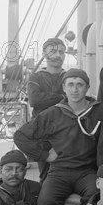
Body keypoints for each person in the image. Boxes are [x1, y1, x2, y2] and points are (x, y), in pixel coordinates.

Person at [14, 68, 103, 205]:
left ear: (87, 88)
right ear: (64, 88)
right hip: (60, 171)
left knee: (95, 201)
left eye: (80, 85)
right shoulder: (53, 113)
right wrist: (44, 155)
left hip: (88, 171)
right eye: (71, 85)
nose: (75, 90)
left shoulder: (100, 111)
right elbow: (21, 137)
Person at [27, 37, 67, 183]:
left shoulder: (68, 77)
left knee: (65, 173)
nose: (58, 55)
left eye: (61, 52)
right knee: (45, 176)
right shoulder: (36, 76)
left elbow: (73, 101)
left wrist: (47, 97)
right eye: (53, 51)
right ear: (44, 55)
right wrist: (61, 97)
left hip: (65, 131)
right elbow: (34, 100)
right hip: (42, 133)